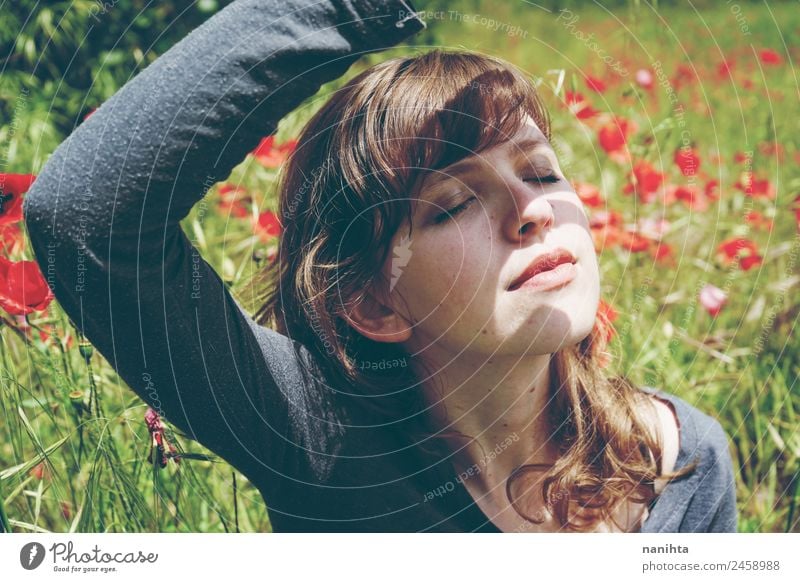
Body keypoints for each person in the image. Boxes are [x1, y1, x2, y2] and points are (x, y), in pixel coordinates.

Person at [22, 0, 737, 532]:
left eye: (543, 174)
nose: (532, 210)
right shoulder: (322, 447)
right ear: (373, 304)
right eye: (453, 204)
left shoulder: (684, 467)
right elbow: (84, 214)